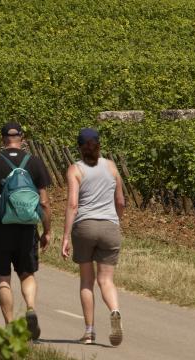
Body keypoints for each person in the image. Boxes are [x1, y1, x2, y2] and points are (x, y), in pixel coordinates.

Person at [0, 122, 52, 341]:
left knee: (3, 278)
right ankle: (31, 308)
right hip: (27, 230)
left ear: (2, 139)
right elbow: (44, 203)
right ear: (22, 139)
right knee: (27, 274)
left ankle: (10, 326)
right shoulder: (34, 163)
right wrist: (47, 231)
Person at [61, 128, 125, 346]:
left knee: (87, 281)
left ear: (79, 147)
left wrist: (66, 236)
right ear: (98, 145)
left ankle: (89, 332)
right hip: (110, 226)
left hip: (85, 227)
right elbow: (121, 201)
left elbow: (72, 204)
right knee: (106, 280)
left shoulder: (75, 169)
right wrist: (117, 221)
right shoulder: (111, 166)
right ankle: (115, 311)